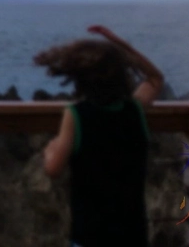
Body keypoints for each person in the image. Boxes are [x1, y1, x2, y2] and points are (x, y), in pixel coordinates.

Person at [33, 25, 165, 247]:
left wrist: (50, 150)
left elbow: (53, 169)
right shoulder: (134, 110)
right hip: (133, 234)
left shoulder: (76, 114)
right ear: (122, 75)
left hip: (90, 235)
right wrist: (119, 45)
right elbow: (155, 77)